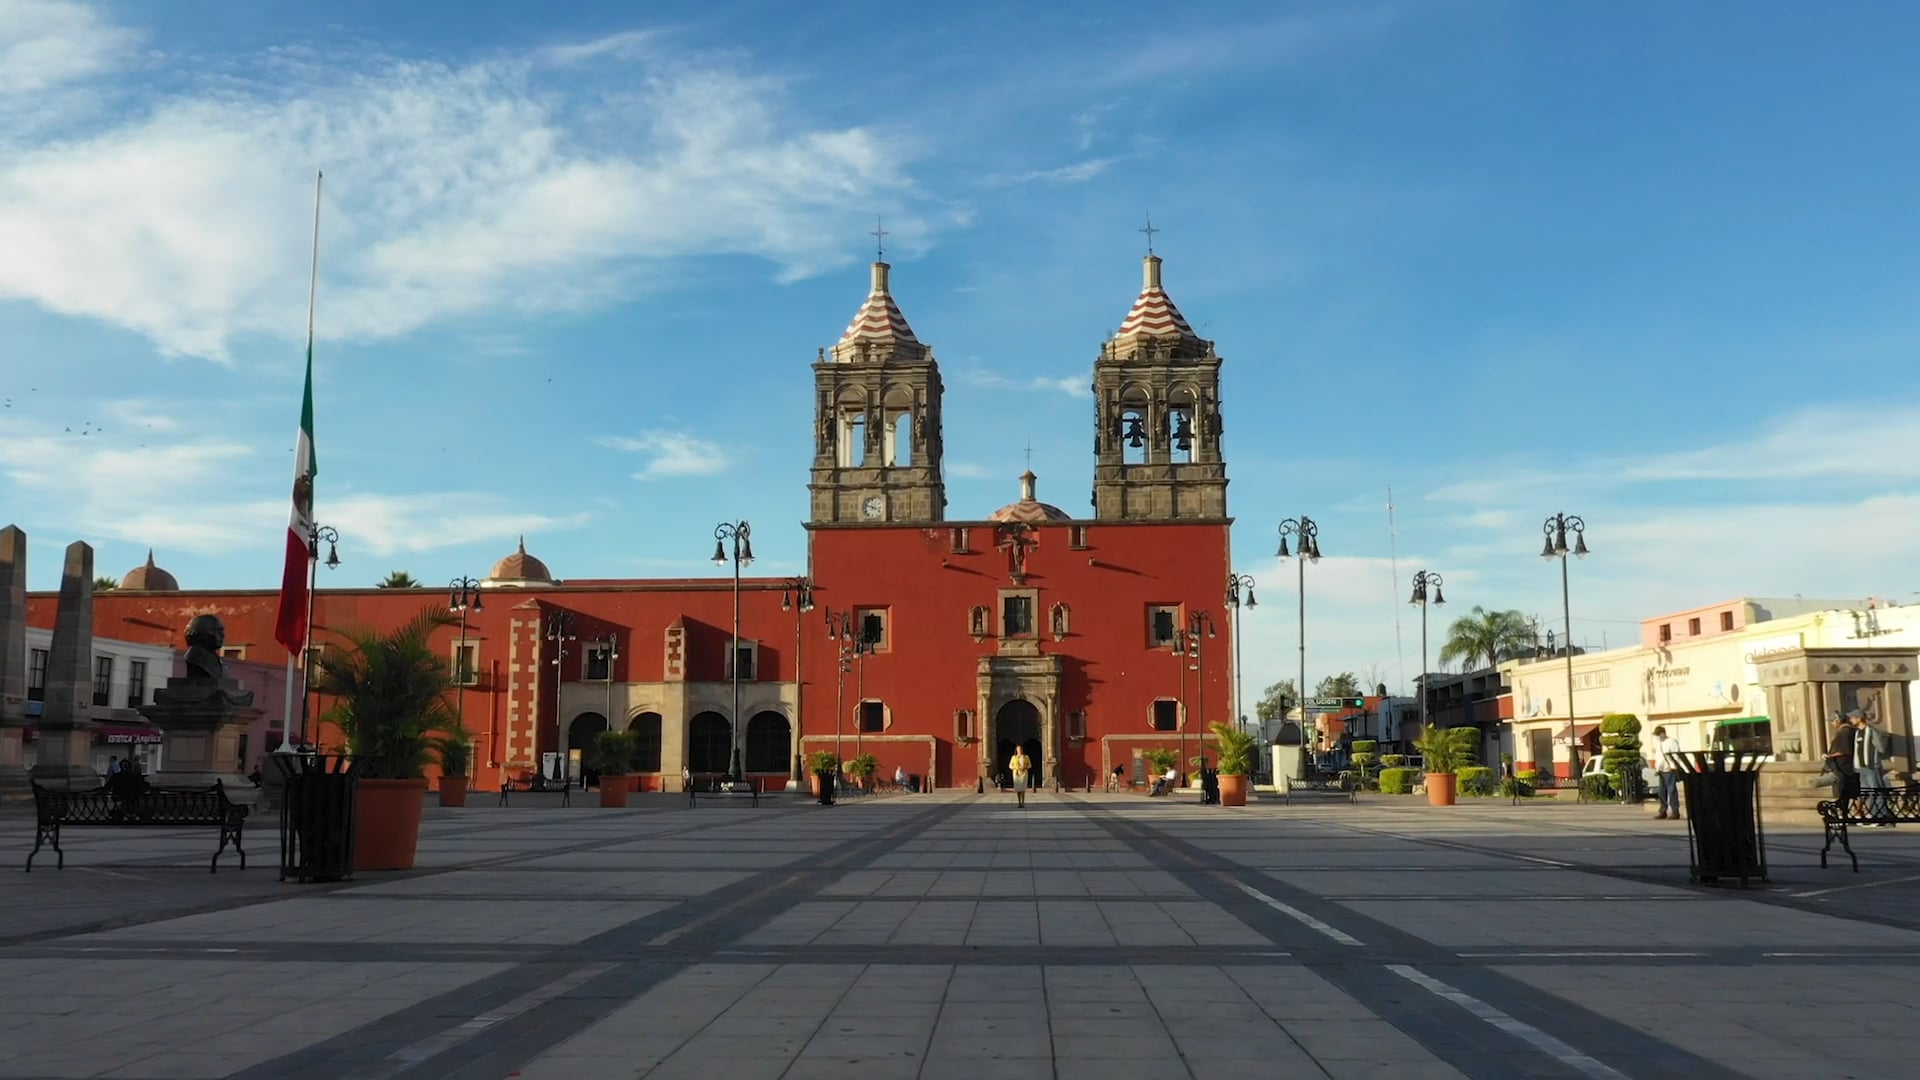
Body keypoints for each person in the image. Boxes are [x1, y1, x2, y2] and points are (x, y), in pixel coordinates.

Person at [1850, 709, 1893, 826]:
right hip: (1860, 767)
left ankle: (1882, 817)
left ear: (1859, 718)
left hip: (1871, 766)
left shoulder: (1871, 731)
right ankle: (1874, 815)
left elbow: (1880, 748)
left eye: (1853, 718)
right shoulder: (1857, 732)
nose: (1851, 720)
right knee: (1868, 793)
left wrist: (1875, 759)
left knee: (1877, 791)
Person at [1826, 714, 1860, 804]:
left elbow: (1845, 750)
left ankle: (1845, 811)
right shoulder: (1843, 731)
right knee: (1844, 789)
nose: (1832, 723)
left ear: (1838, 721)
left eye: (1832, 721)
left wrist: (1830, 756)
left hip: (1844, 766)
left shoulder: (1845, 731)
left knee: (1844, 789)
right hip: (1842, 765)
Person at [1652, 726, 1683, 820]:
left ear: (1662, 733)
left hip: (1669, 769)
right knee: (1662, 791)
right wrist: (1657, 768)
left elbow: (1675, 755)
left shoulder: (1671, 742)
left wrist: (1673, 766)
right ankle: (1663, 810)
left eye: (1658, 735)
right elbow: (1659, 757)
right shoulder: (1659, 743)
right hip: (1661, 770)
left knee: (1671, 790)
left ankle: (1675, 811)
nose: (1657, 737)